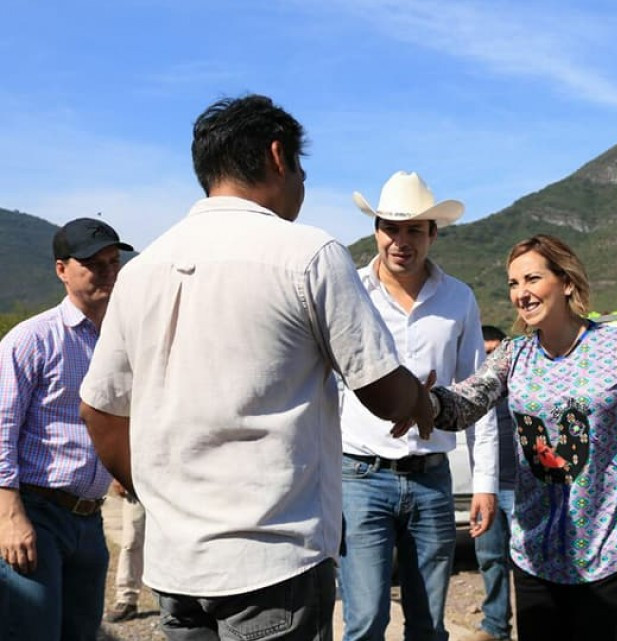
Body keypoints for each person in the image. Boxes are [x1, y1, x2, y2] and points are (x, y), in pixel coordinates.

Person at [78, 94, 435, 641]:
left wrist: (156, 493)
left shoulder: (142, 270)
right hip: (273, 562)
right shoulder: (308, 254)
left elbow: (100, 412)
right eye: (301, 168)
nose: (302, 184)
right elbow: (384, 394)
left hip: (176, 567)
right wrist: (421, 401)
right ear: (277, 156)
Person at [431, 234, 617, 641]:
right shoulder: (513, 355)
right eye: (513, 283)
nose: (521, 293)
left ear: (567, 282)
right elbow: (466, 403)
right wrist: (422, 400)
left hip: (610, 548)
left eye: (532, 279)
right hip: (535, 552)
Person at [340, 170, 498, 641]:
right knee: (365, 622)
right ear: (376, 231)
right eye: (391, 228)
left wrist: (485, 483)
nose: (401, 241)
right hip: (360, 477)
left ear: (433, 234)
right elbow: (329, 388)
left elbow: (478, 394)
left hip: (431, 479)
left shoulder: (458, 299)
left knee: (428, 626)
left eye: (413, 230)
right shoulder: (350, 293)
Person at [0, 217, 133, 641]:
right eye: (93, 264)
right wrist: (9, 516)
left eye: (113, 262)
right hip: (37, 514)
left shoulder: (121, 340)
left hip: (89, 519)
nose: (107, 272)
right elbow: (2, 428)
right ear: (62, 269)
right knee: (32, 631)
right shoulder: (32, 339)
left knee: (81, 633)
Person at [464, 325, 517, 641]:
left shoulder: (523, 391)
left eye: (496, 351)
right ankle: (496, 627)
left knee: (530, 564)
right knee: (490, 559)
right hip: (487, 490)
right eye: (485, 353)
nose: (491, 359)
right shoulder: (476, 397)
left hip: (523, 489)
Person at [105, 479, 146, 623]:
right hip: (137, 484)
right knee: (131, 540)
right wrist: (118, 477)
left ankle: (181, 599)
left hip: (173, 484)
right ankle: (126, 599)